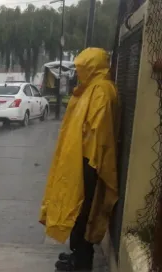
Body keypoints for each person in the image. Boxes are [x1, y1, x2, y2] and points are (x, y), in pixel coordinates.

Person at [39, 48, 119, 271]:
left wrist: (91, 165)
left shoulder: (101, 91)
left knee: (84, 211)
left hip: (90, 162)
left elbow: (98, 133)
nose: (79, 73)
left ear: (93, 68)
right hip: (82, 159)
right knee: (78, 210)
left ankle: (82, 261)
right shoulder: (91, 89)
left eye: (83, 69)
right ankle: (77, 254)